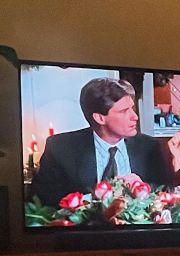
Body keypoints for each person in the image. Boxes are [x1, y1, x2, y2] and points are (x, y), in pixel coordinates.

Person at [31, 77, 171, 207]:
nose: (135, 117)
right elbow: (42, 203)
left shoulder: (149, 147)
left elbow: (165, 196)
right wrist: (92, 199)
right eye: (124, 111)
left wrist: (143, 191)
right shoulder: (60, 148)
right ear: (99, 118)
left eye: (132, 108)